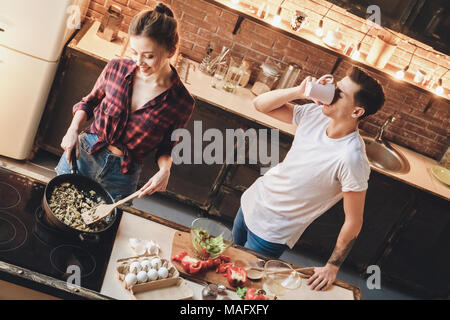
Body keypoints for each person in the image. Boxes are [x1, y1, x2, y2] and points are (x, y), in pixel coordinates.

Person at [233, 66, 385, 291]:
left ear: (356, 112)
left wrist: (332, 266)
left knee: (242, 285)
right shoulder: (316, 115)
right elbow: (260, 105)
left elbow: (354, 221)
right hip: (251, 203)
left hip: (271, 231)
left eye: (339, 93)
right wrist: (300, 91)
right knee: (229, 264)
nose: (331, 93)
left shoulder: (352, 158)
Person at [56, 3, 195, 200]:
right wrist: (73, 129)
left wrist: (165, 170)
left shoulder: (181, 102)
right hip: (84, 154)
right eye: (134, 52)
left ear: (170, 51)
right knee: (58, 209)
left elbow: (167, 146)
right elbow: (89, 102)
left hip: (122, 175)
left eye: (149, 56)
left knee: (100, 228)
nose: (138, 61)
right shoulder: (116, 68)